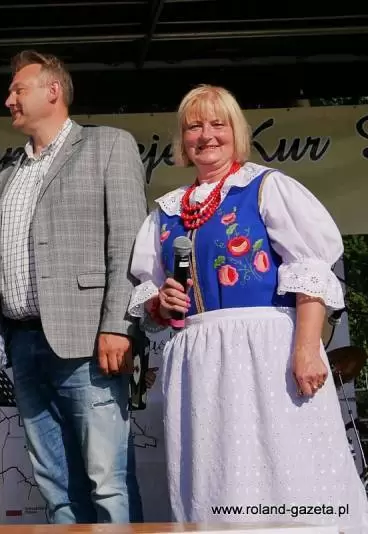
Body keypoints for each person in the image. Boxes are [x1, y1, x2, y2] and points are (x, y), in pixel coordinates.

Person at [126, 84, 368, 532]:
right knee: (213, 474)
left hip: (266, 349)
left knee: (285, 461)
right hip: (197, 358)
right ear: (182, 139)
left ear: (236, 131)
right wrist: (162, 303)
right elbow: (153, 305)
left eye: (217, 124)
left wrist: (307, 349)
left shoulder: (266, 188)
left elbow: (310, 270)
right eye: (194, 126)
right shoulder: (166, 211)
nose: (206, 135)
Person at [0, 50, 146, 524]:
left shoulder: (109, 145)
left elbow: (128, 245)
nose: (8, 100)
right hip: (22, 345)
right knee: (56, 486)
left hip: (88, 343)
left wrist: (118, 325)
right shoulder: (6, 175)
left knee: (107, 481)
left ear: (53, 91)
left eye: (17, 89)